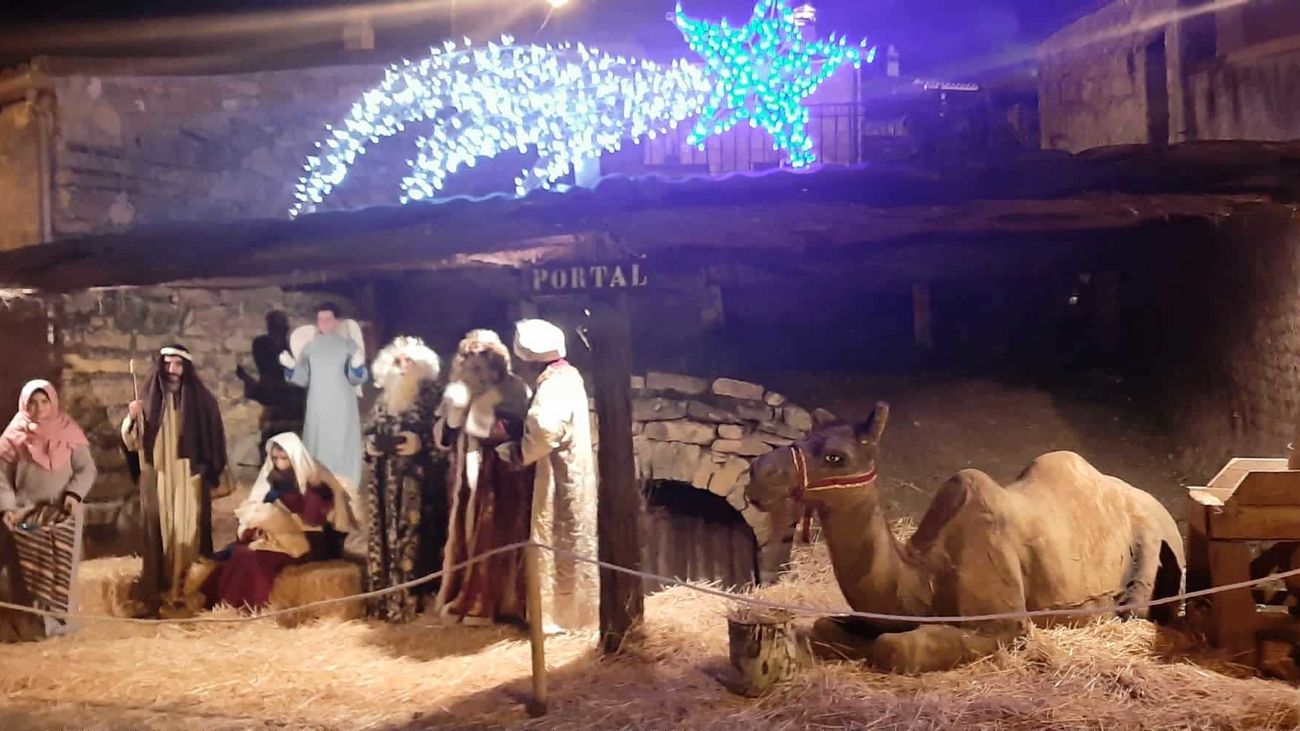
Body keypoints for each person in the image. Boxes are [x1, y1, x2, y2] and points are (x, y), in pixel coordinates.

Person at [498, 319, 598, 631]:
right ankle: (577, 614)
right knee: (573, 540)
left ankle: (557, 618)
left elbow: (544, 428)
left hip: (557, 474)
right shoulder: (569, 376)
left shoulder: (553, 386)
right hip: (573, 469)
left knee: (558, 540)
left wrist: (518, 450)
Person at [433, 330, 533, 626]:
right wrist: (453, 416)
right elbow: (444, 435)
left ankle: (495, 602)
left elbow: (521, 427)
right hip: (466, 470)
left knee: (495, 531)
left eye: (483, 358)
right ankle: (466, 593)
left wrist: (492, 425)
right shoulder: (457, 389)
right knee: (465, 530)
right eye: (469, 358)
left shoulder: (514, 388)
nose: (474, 365)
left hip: (501, 472)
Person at [122, 345, 228, 616]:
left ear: (186, 368)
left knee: (187, 531)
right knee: (161, 532)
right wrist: (132, 418)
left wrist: (209, 470)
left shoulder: (203, 401)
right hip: (158, 475)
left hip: (188, 474)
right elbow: (133, 443)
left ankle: (190, 591)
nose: (172, 370)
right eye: (167, 364)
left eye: (178, 365)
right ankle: (160, 591)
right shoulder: (146, 400)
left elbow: (214, 438)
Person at [199, 432, 356, 611]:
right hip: (274, 538)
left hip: (306, 541)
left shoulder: (315, 479)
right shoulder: (271, 478)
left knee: (251, 557)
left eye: (284, 458)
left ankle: (250, 607)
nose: (280, 463)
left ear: (295, 457)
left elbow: (315, 518)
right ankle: (227, 607)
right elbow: (259, 506)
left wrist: (314, 489)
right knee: (239, 554)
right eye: (275, 458)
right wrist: (256, 527)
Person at [0, 380, 95, 641]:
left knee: (62, 564)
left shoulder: (68, 432)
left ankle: (61, 625)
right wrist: (7, 507)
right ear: (24, 403)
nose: (39, 407)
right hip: (26, 516)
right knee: (28, 566)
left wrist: (74, 495)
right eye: (32, 402)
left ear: (53, 403)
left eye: (44, 402)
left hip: (62, 514)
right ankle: (29, 626)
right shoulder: (13, 437)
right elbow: (1, 477)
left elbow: (86, 470)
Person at [363, 336, 446, 623]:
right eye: (398, 362)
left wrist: (421, 444)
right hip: (385, 484)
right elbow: (369, 431)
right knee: (386, 539)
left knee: (419, 540)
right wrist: (371, 445)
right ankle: (387, 599)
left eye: (409, 362)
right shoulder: (384, 399)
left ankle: (417, 601)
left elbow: (445, 439)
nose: (402, 367)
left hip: (419, 485)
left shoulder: (433, 396)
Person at [281, 303, 368, 490]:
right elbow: (304, 379)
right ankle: (319, 486)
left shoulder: (348, 346)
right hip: (318, 405)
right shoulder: (310, 348)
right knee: (319, 443)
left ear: (336, 321)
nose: (324, 323)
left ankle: (345, 487)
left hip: (342, 406)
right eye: (321, 319)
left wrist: (356, 366)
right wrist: (291, 367)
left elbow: (356, 379)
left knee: (341, 443)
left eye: (328, 319)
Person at [236, 310, 305, 460]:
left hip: (292, 405)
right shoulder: (262, 345)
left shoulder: (291, 348)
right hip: (278, 402)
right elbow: (269, 368)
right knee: (272, 449)